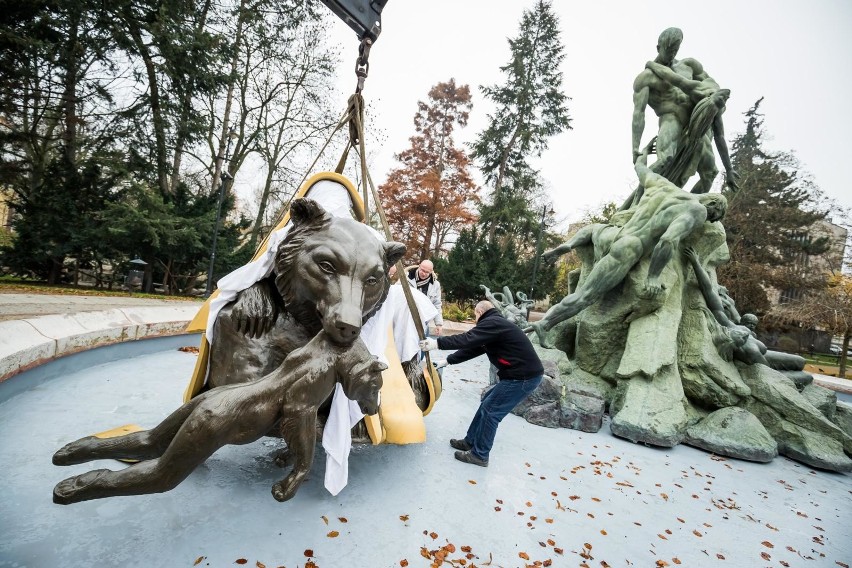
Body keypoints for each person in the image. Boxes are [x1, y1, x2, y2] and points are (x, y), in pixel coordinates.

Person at [527, 141, 727, 348]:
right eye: (714, 216)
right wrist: (653, 276)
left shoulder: (661, 185)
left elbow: (640, 167)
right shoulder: (698, 209)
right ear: (712, 204)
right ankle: (545, 324)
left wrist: (645, 152)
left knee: (595, 228)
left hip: (612, 234)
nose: (709, 220)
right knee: (585, 296)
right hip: (630, 248)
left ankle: (569, 244)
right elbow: (669, 240)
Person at [418, 300, 544, 467]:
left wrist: (436, 343)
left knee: (491, 412)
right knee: (487, 404)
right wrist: (447, 361)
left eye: (475, 315)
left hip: (522, 377)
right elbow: (474, 348)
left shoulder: (493, 323)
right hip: (518, 375)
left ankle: (480, 455)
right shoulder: (494, 325)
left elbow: (466, 338)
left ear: (479, 312)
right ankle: (470, 441)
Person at [644, 60, 739, 193]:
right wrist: (652, 64)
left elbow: (720, 136)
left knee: (711, 173)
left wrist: (729, 169)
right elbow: (673, 78)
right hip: (679, 124)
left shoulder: (716, 110)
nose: (723, 101)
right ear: (712, 94)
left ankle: (689, 202)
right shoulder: (698, 92)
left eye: (725, 100)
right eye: (722, 97)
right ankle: (645, 195)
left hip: (699, 136)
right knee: (665, 162)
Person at [406, 260, 443, 336]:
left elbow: (437, 305)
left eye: (427, 272)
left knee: (423, 346)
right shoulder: (406, 278)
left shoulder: (435, 284)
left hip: (423, 321)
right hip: (405, 319)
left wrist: (439, 324)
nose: (424, 273)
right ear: (419, 266)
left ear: (431, 271)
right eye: (422, 270)